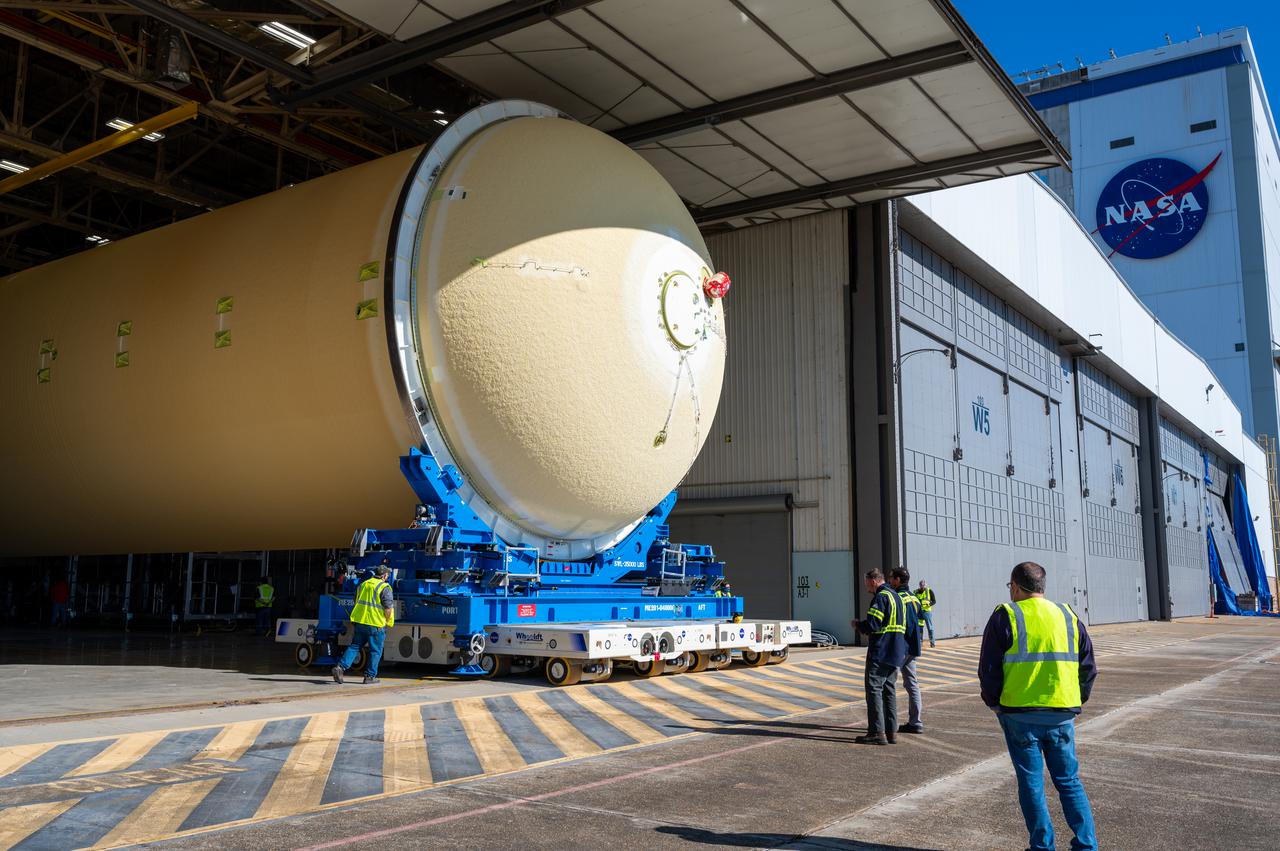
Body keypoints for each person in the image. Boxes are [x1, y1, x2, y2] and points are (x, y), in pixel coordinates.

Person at [979, 562, 1098, 851]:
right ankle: (1086, 845)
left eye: (1011, 588)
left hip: (1020, 714)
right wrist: (1075, 698)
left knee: (1032, 785)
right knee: (1069, 782)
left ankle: (1042, 846)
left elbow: (989, 669)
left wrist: (994, 703)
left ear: (1016, 587)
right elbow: (1088, 667)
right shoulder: (1068, 615)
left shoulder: (1005, 615)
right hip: (1062, 714)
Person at [851, 568, 907, 745]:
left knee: (874, 690)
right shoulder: (897, 597)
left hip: (881, 651)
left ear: (873, 581)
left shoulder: (881, 597)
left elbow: (873, 624)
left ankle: (876, 732)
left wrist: (859, 625)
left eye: (867, 582)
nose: (866, 586)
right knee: (889, 691)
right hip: (896, 652)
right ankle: (891, 731)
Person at [332, 565, 394, 685]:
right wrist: (387, 621)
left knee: (355, 646)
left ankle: (340, 667)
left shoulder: (363, 585)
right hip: (375, 624)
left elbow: (356, 601)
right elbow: (388, 608)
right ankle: (370, 676)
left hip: (360, 622)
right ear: (385, 575)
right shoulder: (384, 587)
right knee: (375, 651)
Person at [889, 567, 924, 734]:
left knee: (888, 683)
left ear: (897, 580)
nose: (889, 581)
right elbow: (920, 617)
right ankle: (915, 722)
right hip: (913, 646)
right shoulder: (914, 598)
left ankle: (889, 723)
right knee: (912, 685)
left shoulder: (897, 598)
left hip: (900, 647)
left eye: (891, 578)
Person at [917, 579, 937, 647]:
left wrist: (929, 604)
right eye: (921, 585)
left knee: (930, 628)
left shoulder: (929, 591)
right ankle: (920, 643)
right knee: (919, 628)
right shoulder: (916, 592)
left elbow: (934, 601)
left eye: (923, 585)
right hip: (919, 612)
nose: (922, 586)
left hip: (927, 612)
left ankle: (932, 642)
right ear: (919, 585)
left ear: (925, 585)